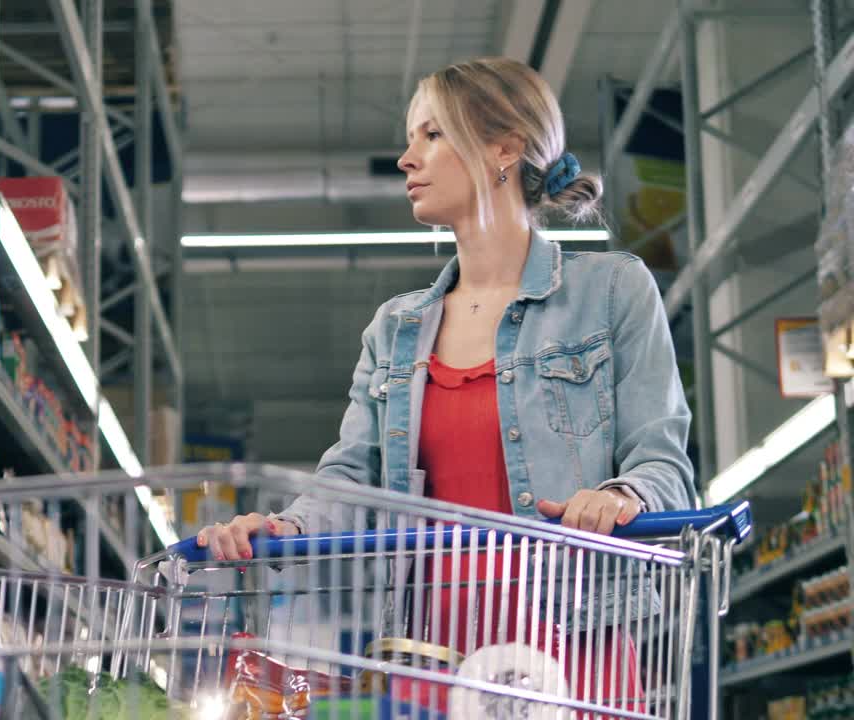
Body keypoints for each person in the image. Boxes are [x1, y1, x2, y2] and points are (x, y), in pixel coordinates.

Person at [195, 56, 696, 715]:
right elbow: (348, 479)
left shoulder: (613, 291)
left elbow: (662, 461)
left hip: (575, 645)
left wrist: (620, 495)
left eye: (430, 135)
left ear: (503, 149)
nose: (406, 158)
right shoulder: (395, 328)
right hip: (432, 657)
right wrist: (283, 526)